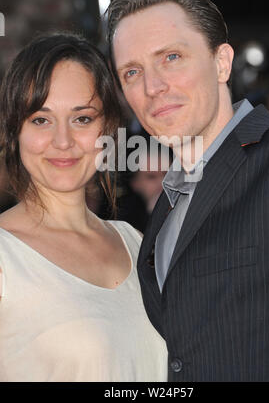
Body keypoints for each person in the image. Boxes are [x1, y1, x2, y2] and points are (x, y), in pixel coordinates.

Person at [107, 0, 269, 381]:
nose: (152, 86)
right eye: (132, 71)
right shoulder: (167, 207)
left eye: (172, 57)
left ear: (221, 63)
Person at [0, 32, 167, 382]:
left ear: (108, 128)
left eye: (82, 119)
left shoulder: (137, 242)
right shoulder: (5, 256)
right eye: (41, 119)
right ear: (15, 131)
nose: (63, 141)